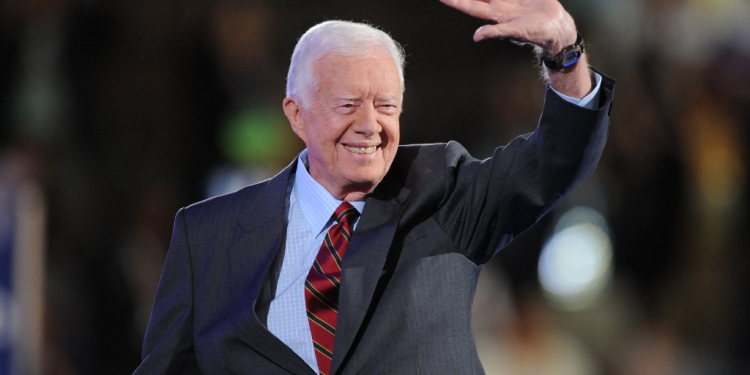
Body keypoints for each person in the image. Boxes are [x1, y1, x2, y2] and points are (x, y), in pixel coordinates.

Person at [133, 0, 614, 373]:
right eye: (347, 105)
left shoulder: (442, 193)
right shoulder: (207, 237)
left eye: (386, 106)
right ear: (295, 115)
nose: (371, 125)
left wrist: (565, 54)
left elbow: (551, 163)